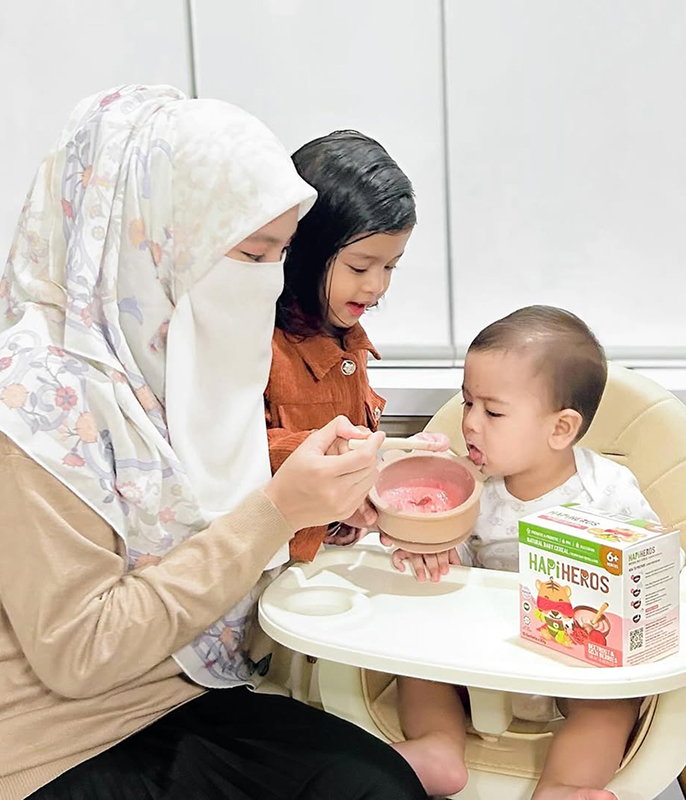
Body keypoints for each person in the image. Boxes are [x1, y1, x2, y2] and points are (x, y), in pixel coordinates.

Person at [0, 85, 427, 800]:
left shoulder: (182, 361)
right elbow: (81, 653)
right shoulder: (36, 398)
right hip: (58, 740)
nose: (266, 284)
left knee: (380, 786)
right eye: (252, 253)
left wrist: (333, 506)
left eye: (280, 255)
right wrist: (277, 510)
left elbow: (222, 536)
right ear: (159, 241)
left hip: (192, 690)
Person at [387, 306, 657, 800]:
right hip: (476, 658)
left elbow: (655, 573)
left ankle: (564, 785)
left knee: (614, 703)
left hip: (575, 668)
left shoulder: (607, 491)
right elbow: (447, 574)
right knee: (417, 664)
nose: (470, 423)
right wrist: (428, 548)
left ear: (561, 428)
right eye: (467, 403)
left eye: (492, 412)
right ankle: (438, 746)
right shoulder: (466, 489)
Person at [265, 130, 446, 562]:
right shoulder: (262, 344)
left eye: (391, 267)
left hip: (328, 556)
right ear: (302, 252)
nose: (376, 285)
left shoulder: (348, 334)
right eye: (360, 267)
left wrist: (361, 497)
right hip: (271, 563)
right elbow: (239, 454)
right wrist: (328, 451)